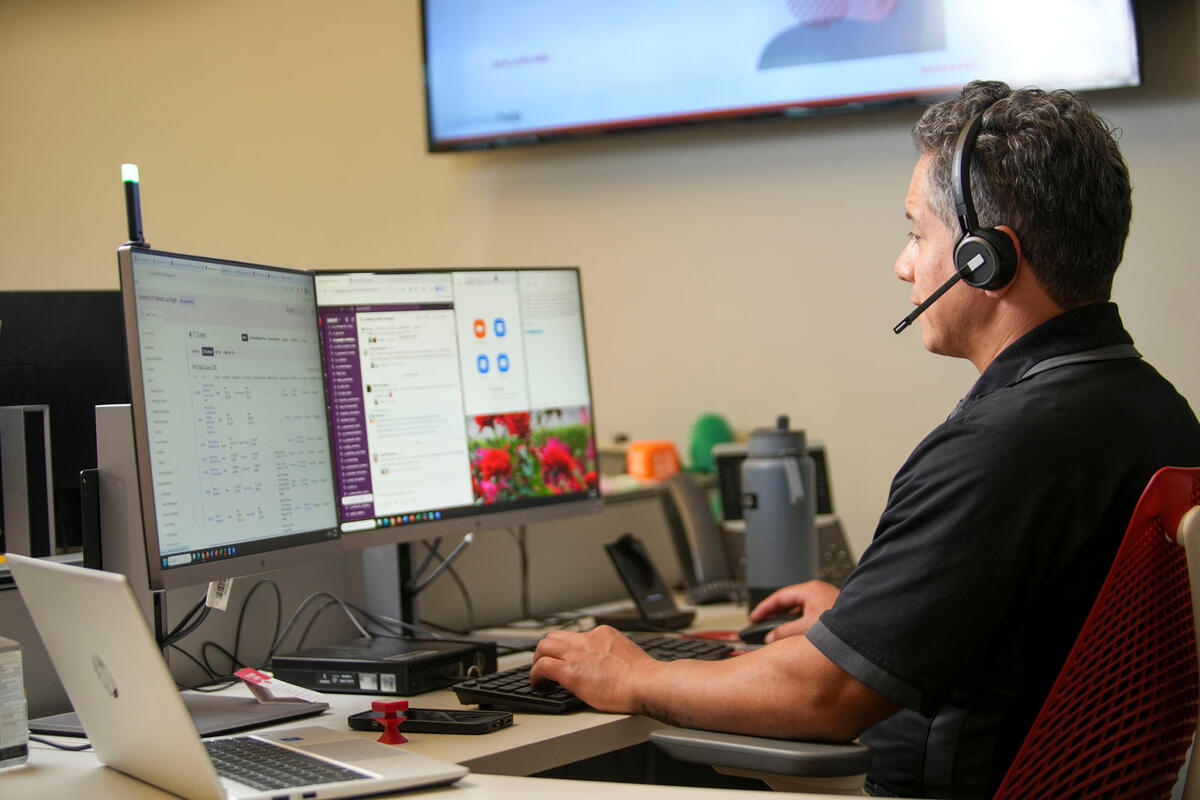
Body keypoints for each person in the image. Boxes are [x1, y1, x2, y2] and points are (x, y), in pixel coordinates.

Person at [530, 80, 1200, 799]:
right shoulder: (1156, 410)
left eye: (917, 234)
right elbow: (1032, 621)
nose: (903, 264)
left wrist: (635, 675)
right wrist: (870, 619)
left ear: (986, 260)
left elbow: (822, 700)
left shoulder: (1002, 446)